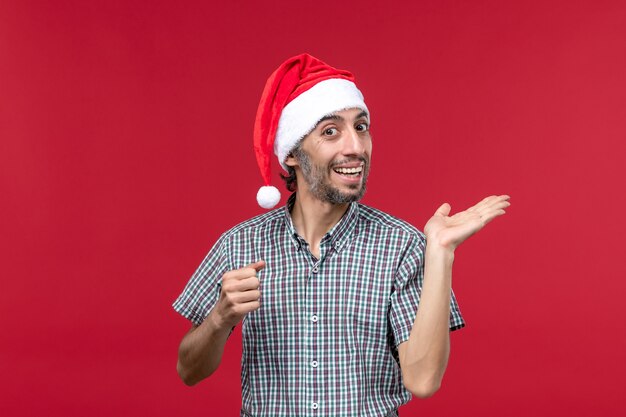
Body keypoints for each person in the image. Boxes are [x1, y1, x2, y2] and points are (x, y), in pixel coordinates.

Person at [173, 53, 510, 417]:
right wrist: (220, 318)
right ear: (292, 154)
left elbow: (423, 380)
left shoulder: (402, 246)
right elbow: (189, 371)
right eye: (331, 131)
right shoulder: (240, 245)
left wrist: (441, 252)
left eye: (361, 127)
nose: (355, 147)